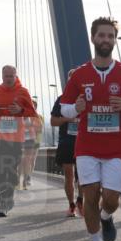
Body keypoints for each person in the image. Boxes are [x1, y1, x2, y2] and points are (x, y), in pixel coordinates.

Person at [60, 17, 121, 241]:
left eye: (110, 36)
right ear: (93, 38)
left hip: (117, 146)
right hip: (87, 146)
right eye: (101, 35)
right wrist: (75, 108)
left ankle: (106, 218)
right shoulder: (80, 75)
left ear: (115, 41)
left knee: (111, 199)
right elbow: (64, 109)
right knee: (90, 194)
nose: (106, 40)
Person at [0, 65, 38, 217]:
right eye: (6, 76)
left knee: (12, 171)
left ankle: (10, 196)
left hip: (16, 139)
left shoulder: (23, 92)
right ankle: (3, 203)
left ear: (16, 75)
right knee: (0, 170)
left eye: (11, 76)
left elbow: (33, 112)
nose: (8, 79)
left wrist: (20, 111)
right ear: (2, 76)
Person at [50, 68, 80, 217]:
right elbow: (53, 121)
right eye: (71, 79)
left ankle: (81, 200)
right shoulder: (62, 99)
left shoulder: (88, 99)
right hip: (67, 142)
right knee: (69, 175)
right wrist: (67, 119)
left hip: (84, 143)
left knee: (84, 176)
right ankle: (72, 205)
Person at [20, 100, 42, 190]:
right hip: (21, 140)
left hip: (33, 140)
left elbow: (39, 129)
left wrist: (32, 127)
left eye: (34, 106)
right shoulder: (20, 115)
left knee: (30, 160)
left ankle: (27, 177)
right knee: (22, 160)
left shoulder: (37, 116)